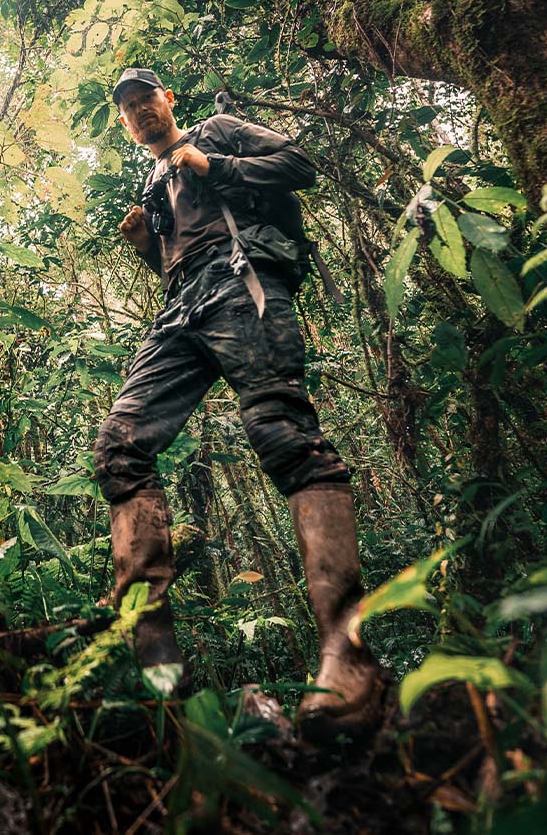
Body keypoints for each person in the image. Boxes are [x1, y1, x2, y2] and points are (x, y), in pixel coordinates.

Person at [94, 66, 384, 736]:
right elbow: (178, 260)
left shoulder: (215, 131)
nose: (139, 113)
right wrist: (148, 247)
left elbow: (299, 163)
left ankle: (348, 658)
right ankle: (158, 672)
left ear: (169, 101)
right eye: (128, 109)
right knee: (119, 449)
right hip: (181, 311)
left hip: (242, 284)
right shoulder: (151, 180)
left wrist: (211, 160)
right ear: (123, 123)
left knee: (282, 433)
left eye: (147, 100)